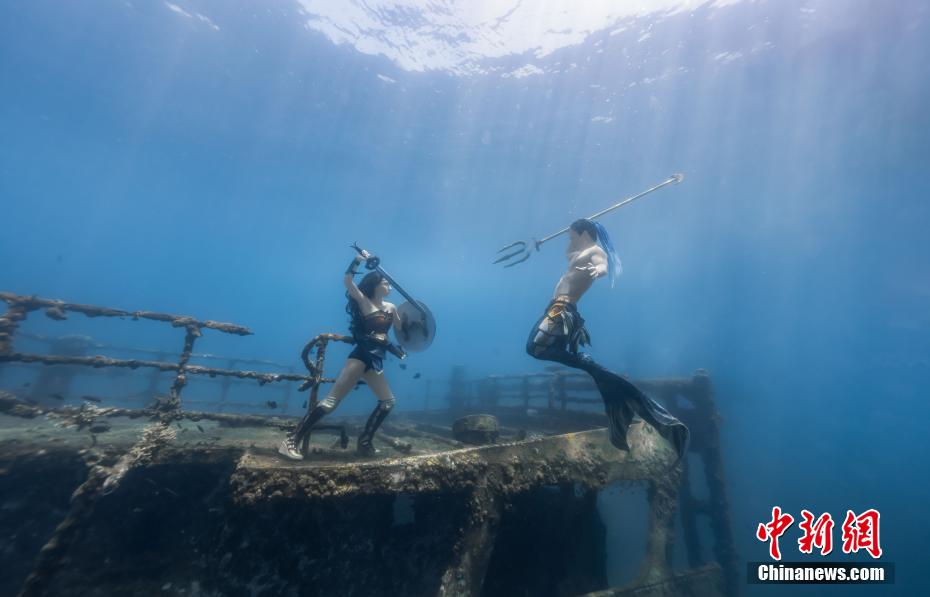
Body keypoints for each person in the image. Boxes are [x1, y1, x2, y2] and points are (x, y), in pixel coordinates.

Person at [526, 218, 689, 465]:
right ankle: (594, 370)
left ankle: (592, 366)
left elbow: (602, 264)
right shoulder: (579, 250)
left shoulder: (595, 251)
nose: (570, 240)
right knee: (536, 348)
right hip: (557, 308)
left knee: (535, 348)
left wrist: (598, 271)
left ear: (583, 234)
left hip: (563, 310)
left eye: (572, 236)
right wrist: (568, 235)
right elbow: (570, 253)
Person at [279, 250, 406, 460]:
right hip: (360, 357)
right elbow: (347, 281)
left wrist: (419, 322)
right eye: (385, 282)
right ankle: (291, 440)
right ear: (375, 285)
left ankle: (365, 442)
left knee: (388, 402)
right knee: (331, 402)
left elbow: (403, 330)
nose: (389, 285)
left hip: (375, 361)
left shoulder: (391, 307)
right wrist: (358, 260)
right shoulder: (364, 301)